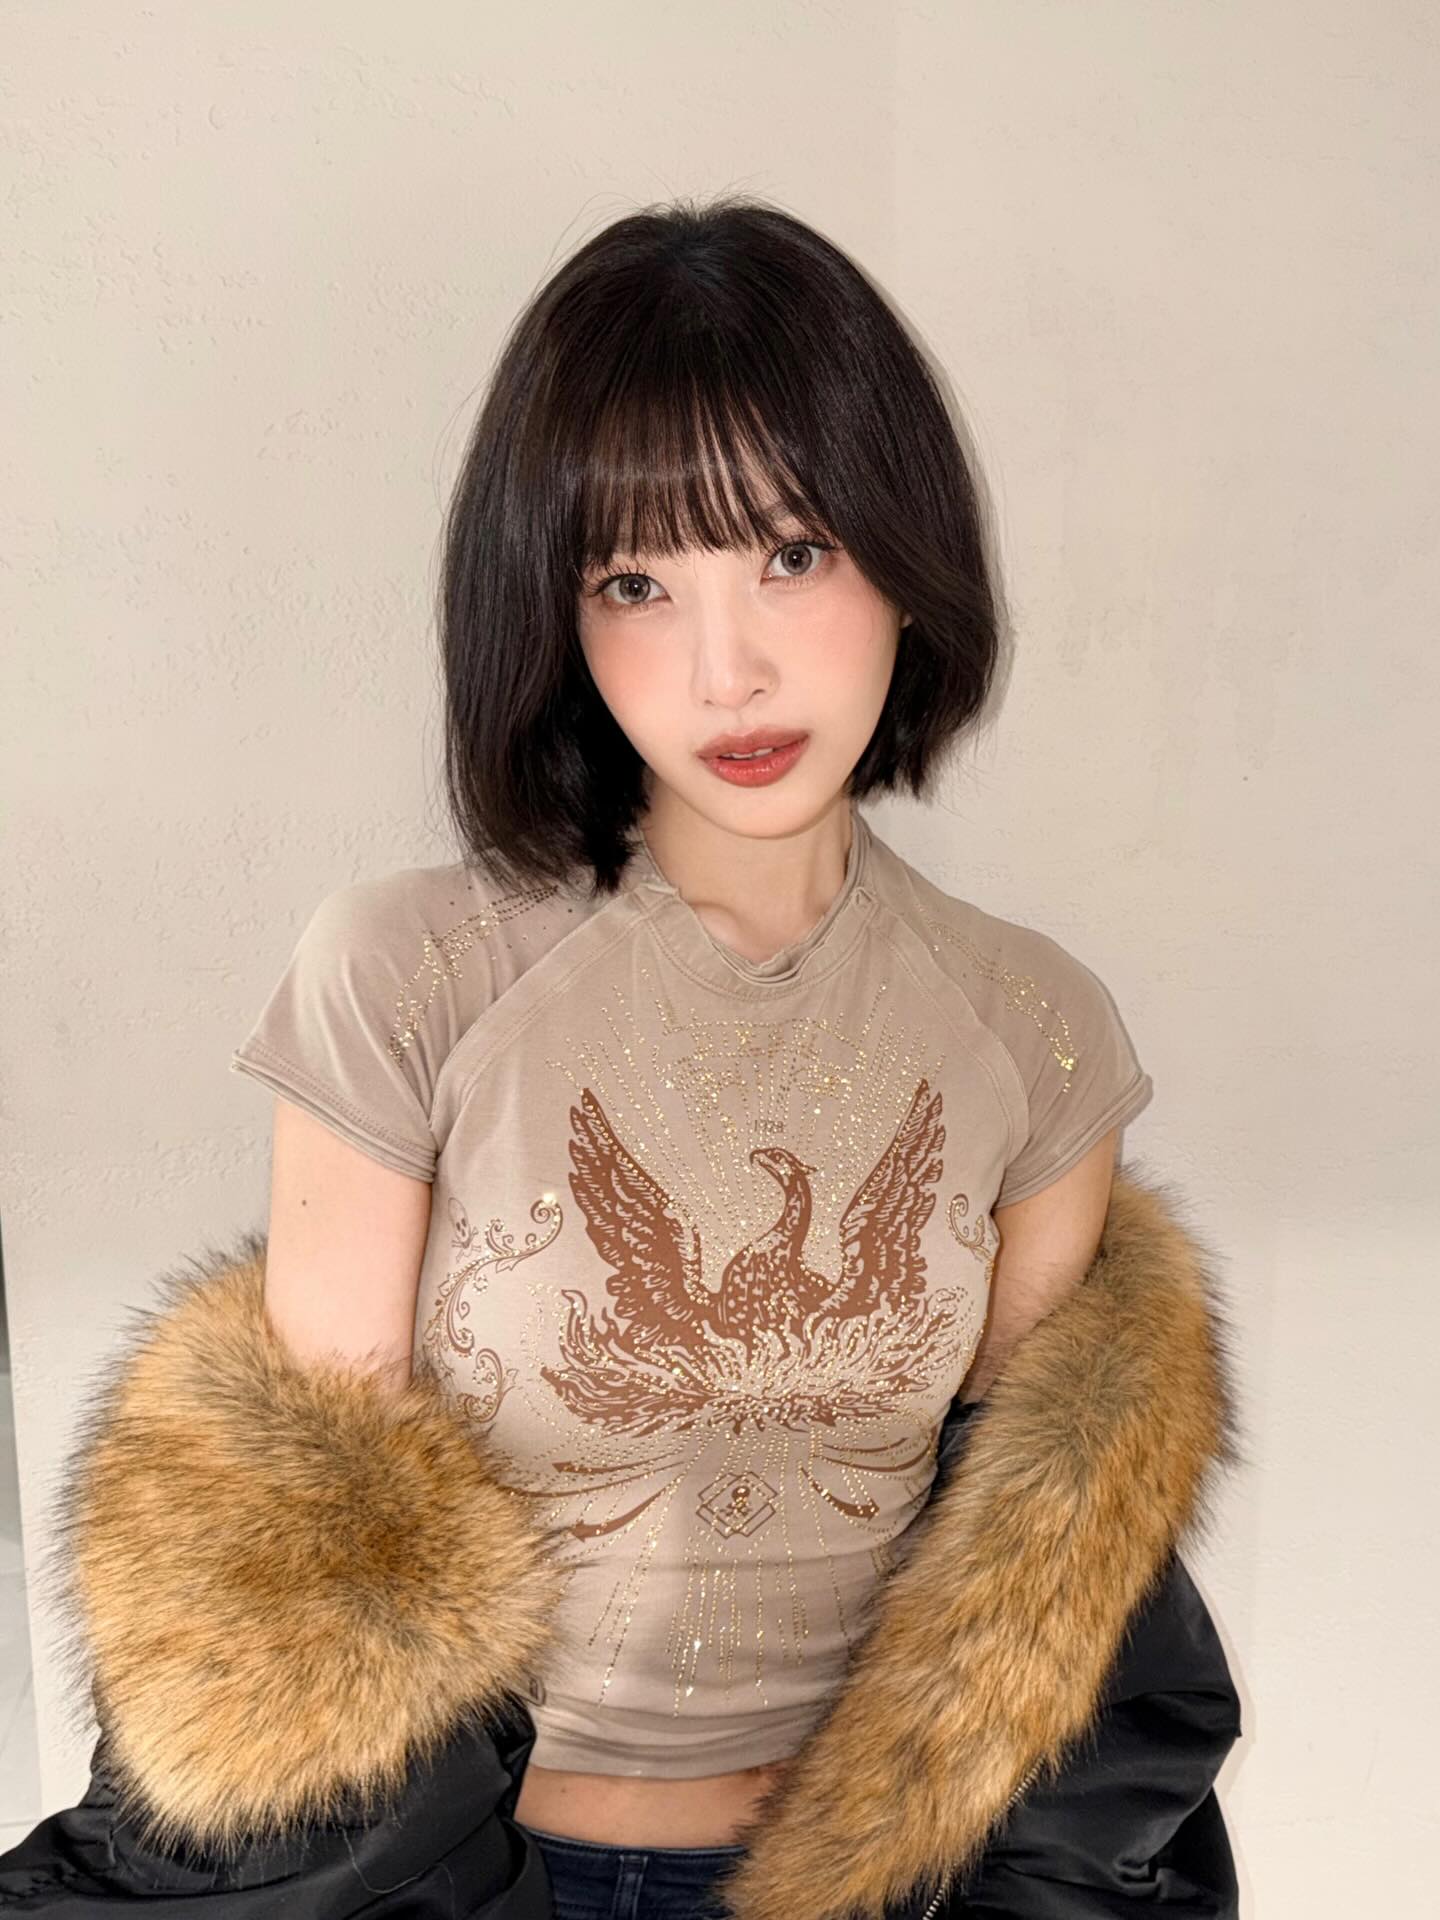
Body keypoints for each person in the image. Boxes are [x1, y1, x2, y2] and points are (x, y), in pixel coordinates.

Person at [2, 195, 1241, 1919]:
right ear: (555, 617)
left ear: (909, 555)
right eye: (636, 584)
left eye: (793, 554)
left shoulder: (1034, 1025)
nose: (728, 669)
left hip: (847, 1885)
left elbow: (1028, 1598)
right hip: (473, 1880)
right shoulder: (409, 976)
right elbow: (313, 1578)